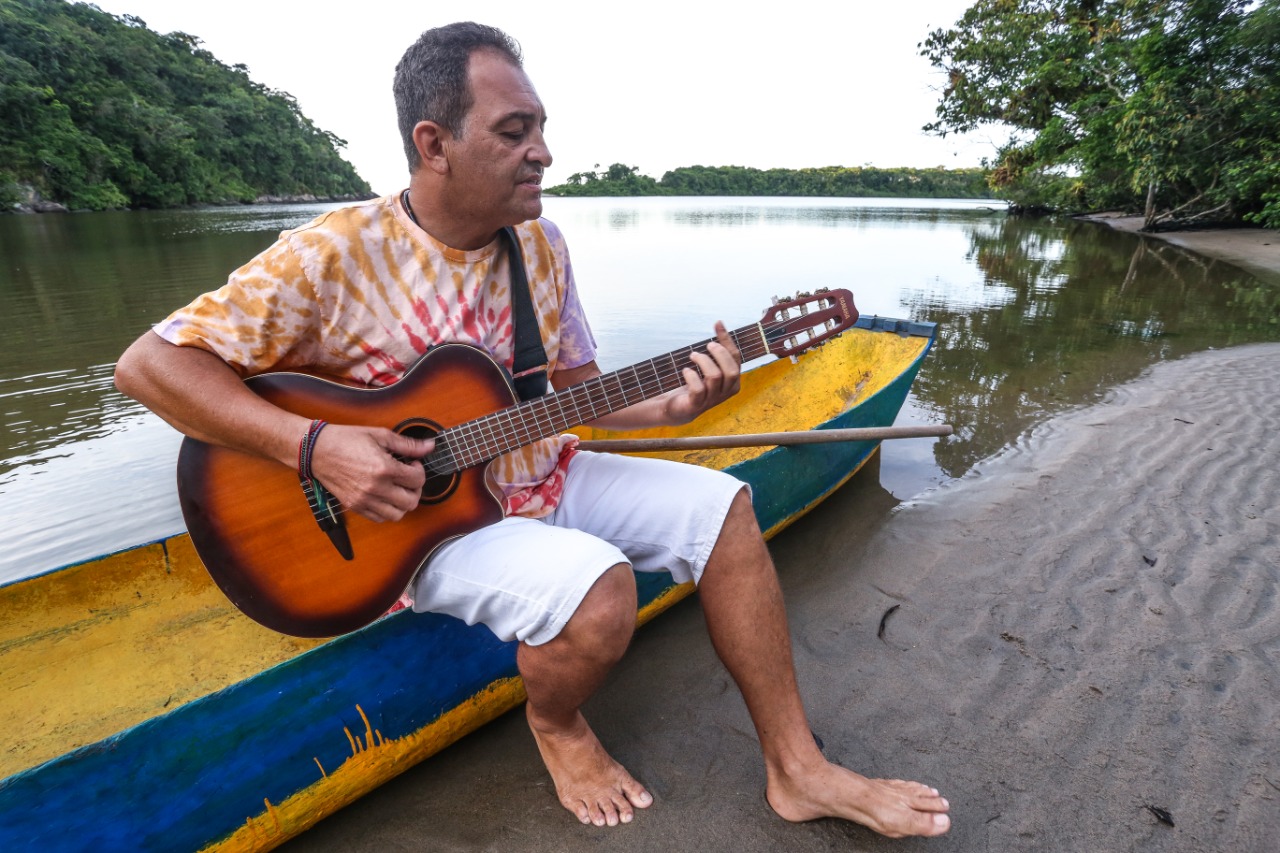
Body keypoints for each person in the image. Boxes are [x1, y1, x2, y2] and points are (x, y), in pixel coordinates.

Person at [113, 22, 950, 838]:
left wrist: (677, 407)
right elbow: (147, 366)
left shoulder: (539, 245)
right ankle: (556, 723)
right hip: (406, 526)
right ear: (435, 144)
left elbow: (577, 391)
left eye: (542, 128)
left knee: (724, 508)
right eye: (514, 132)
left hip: (534, 470)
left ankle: (799, 767)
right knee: (602, 590)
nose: (543, 152)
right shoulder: (331, 256)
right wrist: (314, 447)